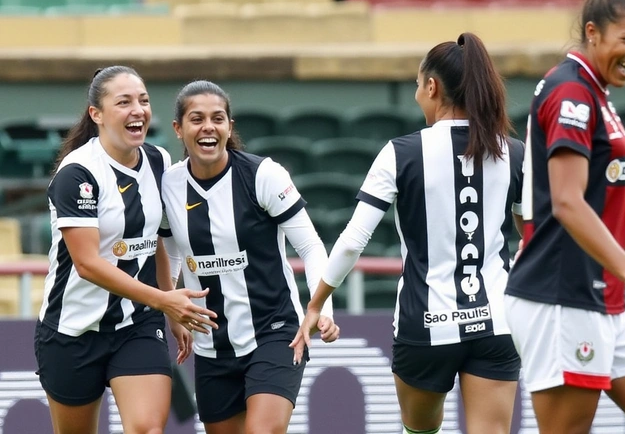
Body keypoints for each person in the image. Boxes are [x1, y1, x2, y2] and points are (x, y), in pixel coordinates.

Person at [292, 32, 524, 434]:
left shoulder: (401, 151)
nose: (418, 95)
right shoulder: (513, 152)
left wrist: (317, 303)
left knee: (419, 431)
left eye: (418, 86)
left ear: (432, 87)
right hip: (498, 324)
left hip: (425, 326)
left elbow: (351, 242)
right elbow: (534, 239)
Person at [34, 66, 218, 434]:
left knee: (147, 429)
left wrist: (168, 303)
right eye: (124, 102)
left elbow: (160, 241)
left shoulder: (159, 161)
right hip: (72, 330)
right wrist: (164, 300)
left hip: (137, 324)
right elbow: (87, 265)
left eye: (144, 100)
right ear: (96, 115)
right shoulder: (77, 174)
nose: (138, 109)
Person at [504, 0, 625, 432]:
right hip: (562, 295)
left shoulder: (594, 91)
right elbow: (566, 201)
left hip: (606, 294)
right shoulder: (571, 93)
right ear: (593, 32)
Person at [160, 80, 340, 434]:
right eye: (196, 119)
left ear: (230, 127)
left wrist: (321, 309)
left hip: (274, 333)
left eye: (218, 118)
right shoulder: (168, 185)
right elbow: (168, 250)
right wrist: (170, 308)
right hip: (213, 344)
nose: (208, 127)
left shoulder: (264, 175)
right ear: (179, 130)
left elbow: (311, 246)